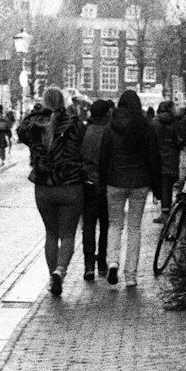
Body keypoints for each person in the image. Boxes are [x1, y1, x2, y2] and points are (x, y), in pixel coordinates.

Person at [16, 84, 85, 297]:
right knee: (68, 235)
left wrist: (36, 111)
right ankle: (60, 271)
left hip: (44, 186)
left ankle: (51, 277)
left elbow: (21, 131)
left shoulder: (33, 125)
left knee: (51, 234)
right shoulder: (73, 123)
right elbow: (83, 147)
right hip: (70, 185)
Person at [98, 87, 161, 288]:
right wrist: (158, 187)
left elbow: (103, 157)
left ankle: (113, 262)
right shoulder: (146, 127)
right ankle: (131, 276)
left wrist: (102, 182)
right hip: (140, 183)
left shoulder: (111, 126)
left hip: (114, 181)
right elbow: (154, 158)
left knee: (114, 224)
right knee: (134, 228)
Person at [80, 99, 111, 281]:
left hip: (88, 183)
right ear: (106, 114)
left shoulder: (86, 131)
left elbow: (81, 155)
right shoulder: (109, 132)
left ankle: (88, 264)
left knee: (89, 225)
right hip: (106, 184)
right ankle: (102, 261)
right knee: (106, 225)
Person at [152, 99, 181, 223]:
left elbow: (151, 140)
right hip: (173, 156)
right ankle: (173, 210)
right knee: (171, 185)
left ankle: (165, 213)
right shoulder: (176, 122)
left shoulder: (155, 123)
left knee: (165, 186)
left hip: (159, 157)